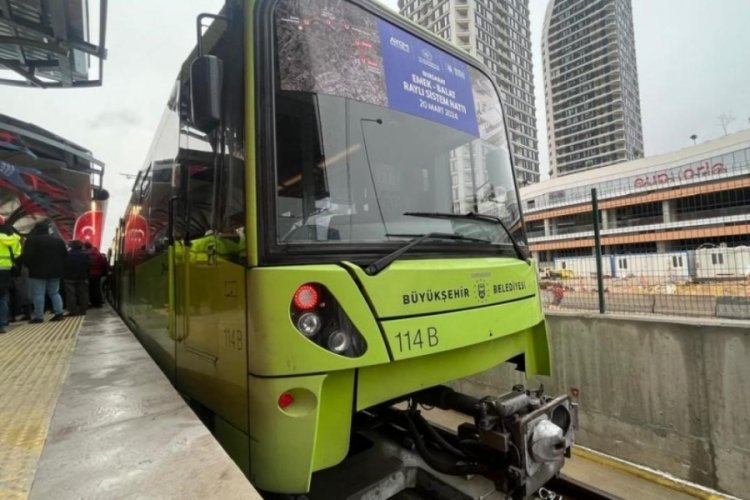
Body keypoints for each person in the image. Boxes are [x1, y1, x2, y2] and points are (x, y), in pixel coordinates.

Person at [22, 221, 66, 323]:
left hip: (37, 272)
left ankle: (39, 317)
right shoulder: (58, 241)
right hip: (55, 271)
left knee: (38, 294)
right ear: (48, 230)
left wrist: (30, 266)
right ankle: (59, 313)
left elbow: (27, 257)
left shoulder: (31, 241)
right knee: (55, 292)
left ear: (36, 230)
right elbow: (64, 255)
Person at [0, 217, 22, 333]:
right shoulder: (14, 237)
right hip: (6, 270)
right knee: (3, 297)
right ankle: (2, 324)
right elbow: (18, 253)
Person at [64, 240, 89, 316]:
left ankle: (73, 311)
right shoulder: (85, 255)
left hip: (69, 277)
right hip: (82, 277)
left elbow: (64, 265)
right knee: (83, 294)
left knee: (71, 294)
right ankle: (83, 310)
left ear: (71, 246)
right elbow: (88, 266)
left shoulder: (67, 255)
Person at [84, 242, 108, 308]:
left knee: (88, 289)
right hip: (97, 274)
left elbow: (85, 265)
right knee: (96, 288)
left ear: (85, 247)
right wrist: (103, 273)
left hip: (88, 274)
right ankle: (98, 303)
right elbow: (103, 264)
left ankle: (90, 302)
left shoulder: (85, 254)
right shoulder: (98, 254)